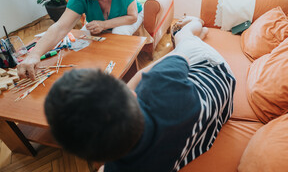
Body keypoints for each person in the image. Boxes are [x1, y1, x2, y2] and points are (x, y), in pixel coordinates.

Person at [44, 17, 236, 172]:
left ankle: (194, 32)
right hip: (216, 77)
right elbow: (181, 59)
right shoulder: (160, 82)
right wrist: (145, 77)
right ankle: (194, 24)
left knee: (181, 47)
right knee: (183, 39)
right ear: (133, 96)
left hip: (202, 123)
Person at [17, 0, 143, 80]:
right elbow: (60, 27)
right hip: (99, 22)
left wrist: (104, 24)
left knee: (119, 32)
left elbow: (132, 17)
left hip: (130, 17)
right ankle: (96, 74)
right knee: (81, 43)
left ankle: (122, 75)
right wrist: (34, 55)